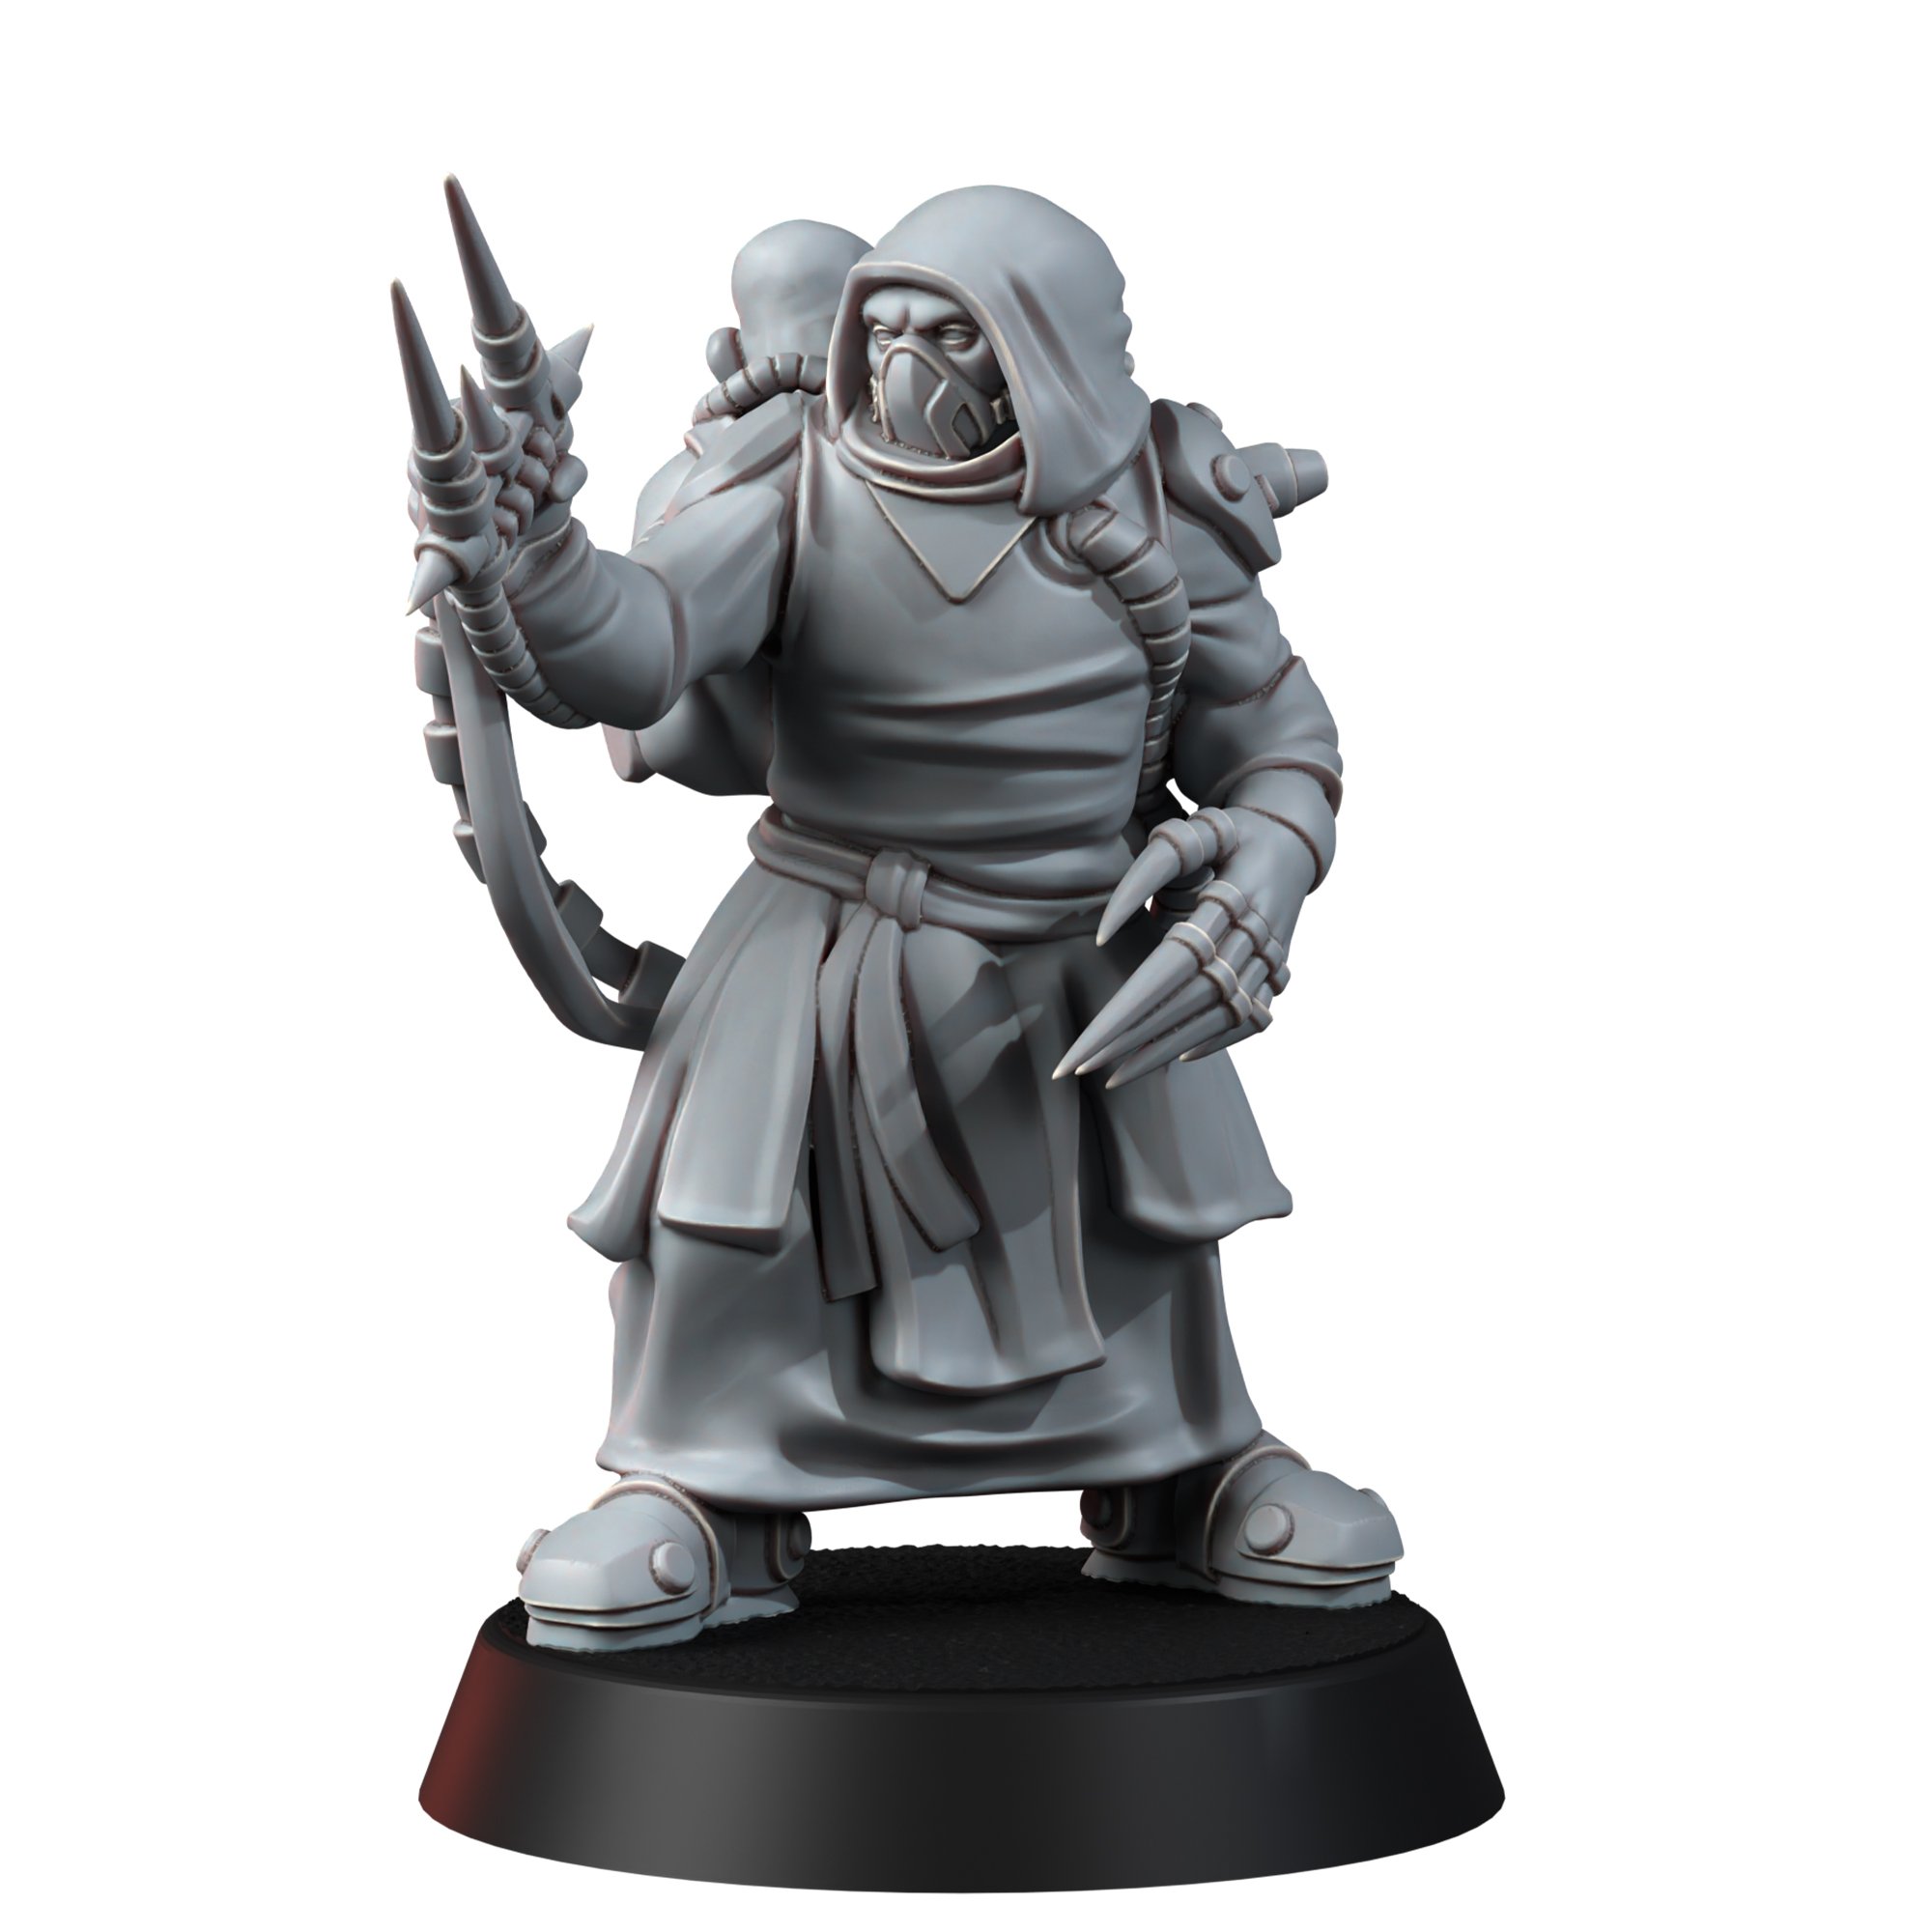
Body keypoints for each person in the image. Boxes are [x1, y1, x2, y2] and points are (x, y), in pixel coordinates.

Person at [399, 183, 1402, 1651]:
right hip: (824, 940)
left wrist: (1264, 868)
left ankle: (1182, 1473)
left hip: (1080, 946)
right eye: (890, 321)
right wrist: (536, 547)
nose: (908, 358)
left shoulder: (1152, 505)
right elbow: (639, 641)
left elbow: (1277, 735)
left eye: (957, 327)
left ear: (1048, 346)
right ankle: (706, 1494)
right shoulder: (796, 484)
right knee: (741, 1236)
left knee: (1133, 1240)